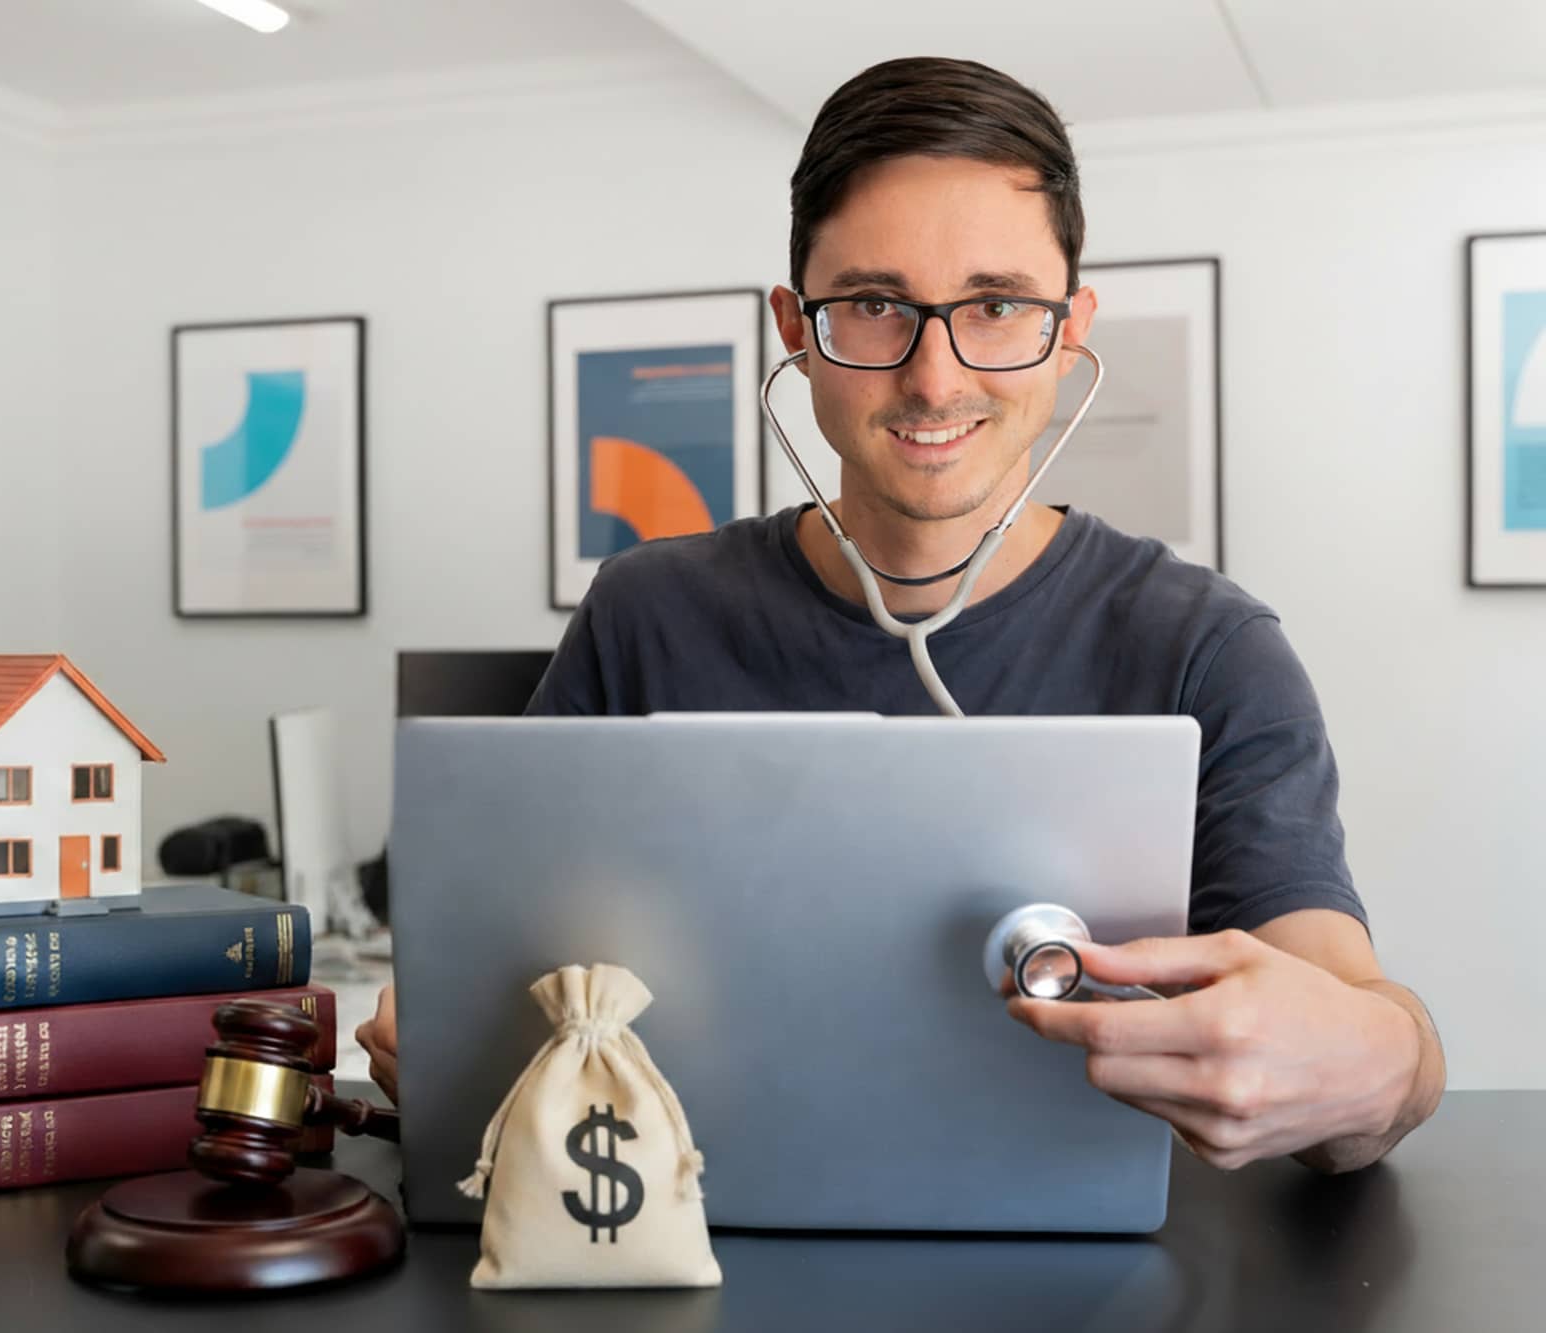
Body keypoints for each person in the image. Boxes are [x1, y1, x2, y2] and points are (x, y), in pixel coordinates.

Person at [359, 55, 1443, 1173]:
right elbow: (497, 955)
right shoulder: (648, 612)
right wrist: (438, 1026)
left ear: (1066, 330)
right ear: (794, 326)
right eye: (874, 305)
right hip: (690, 1237)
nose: (933, 376)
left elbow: (1344, 1019)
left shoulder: (1206, 648)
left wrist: (1383, 1059)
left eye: (995, 305)